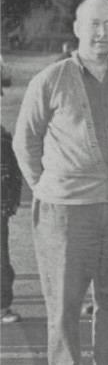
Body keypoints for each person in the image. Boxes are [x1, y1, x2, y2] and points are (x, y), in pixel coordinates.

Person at [13, 0, 108, 365]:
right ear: (76, 28)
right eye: (95, 24)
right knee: (65, 304)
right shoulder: (50, 80)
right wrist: (47, 187)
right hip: (66, 212)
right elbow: (25, 142)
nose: (103, 32)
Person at [1, 124, 22, 324]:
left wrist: (12, 201)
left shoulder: (5, 142)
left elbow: (15, 176)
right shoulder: (5, 142)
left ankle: (2, 306)